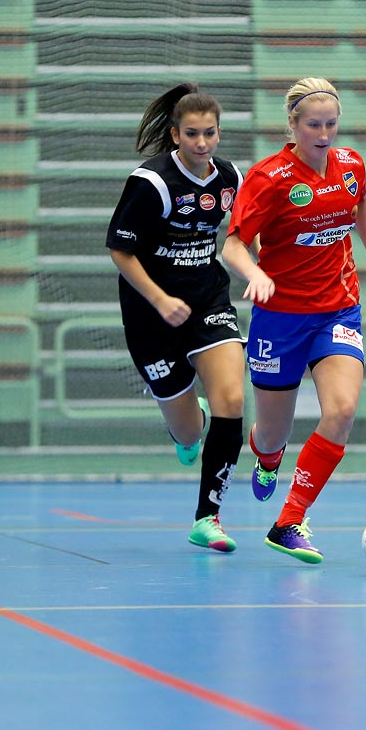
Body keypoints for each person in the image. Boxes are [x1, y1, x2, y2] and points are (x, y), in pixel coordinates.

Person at [220, 77, 366, 564]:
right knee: (273, 434)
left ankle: (289, 520)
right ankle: (268, 454)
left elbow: (360, 204)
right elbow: (233, 244)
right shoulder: (269, 177)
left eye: (331, 124)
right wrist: (255, 274)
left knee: (340, 411)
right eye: (313, 125)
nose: (324, 134)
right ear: (293, 125)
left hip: (338, 309)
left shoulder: (350, 164)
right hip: (280, 319)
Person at [106, 83, 248, 553]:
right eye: (192, 134)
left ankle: (208, 517)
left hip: (208, 299)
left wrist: (260, 268)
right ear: (175, 135)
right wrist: (160, 299)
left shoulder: (230, 178)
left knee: (231, 397)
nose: (202, 143)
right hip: (151, 314)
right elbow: (121, 252)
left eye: (210, 133)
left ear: (219, 133)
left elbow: (246, 233)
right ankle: (187, 424)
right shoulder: (152, 183)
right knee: (190, 433)